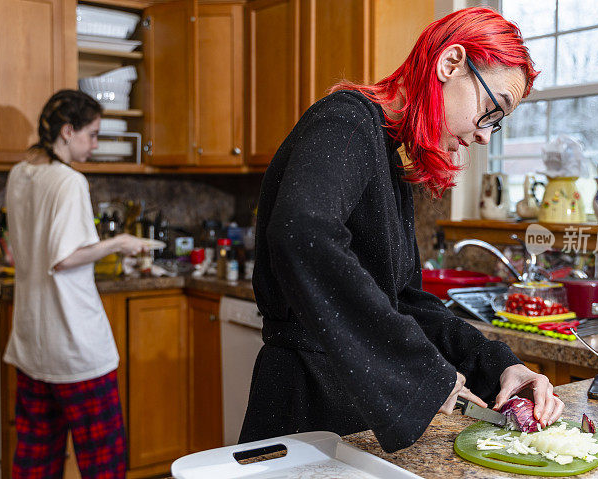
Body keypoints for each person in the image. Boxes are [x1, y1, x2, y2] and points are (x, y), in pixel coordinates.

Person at [240, 7, 564, 452]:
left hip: (345, 404)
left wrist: (498, 364)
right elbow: (303, 233)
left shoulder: (387, 154)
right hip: (304, 401)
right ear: (450, 64)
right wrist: (421, 371)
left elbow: (405, 300)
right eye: (493, 110)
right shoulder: (347, 121)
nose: (487, 135)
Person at [3, 90, 146, 477]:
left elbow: (21, 249)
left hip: (32, 344)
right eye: (93, 134)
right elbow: (64, 259)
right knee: (104, 460)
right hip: (75, 347)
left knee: (36, 457)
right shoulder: (69, 182)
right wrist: (120, 242)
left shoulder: (20, 173)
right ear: (68, 131)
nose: (96, 144)